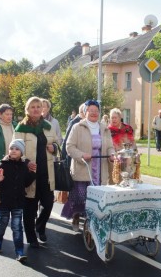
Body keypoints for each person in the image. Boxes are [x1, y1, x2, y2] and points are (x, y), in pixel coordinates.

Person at [62, 99, 115, 231]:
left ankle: (93, 223)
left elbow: (109, 146)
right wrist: (81, 155)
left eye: (96, 111)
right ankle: (76, 216)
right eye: (91, 111)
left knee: (97, 199)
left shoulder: (104, 128)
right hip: (83, 166)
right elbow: (69, 147)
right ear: (85, 112)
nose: (94, 113)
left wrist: (112, 154)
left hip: (100, 167)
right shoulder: (77, 127)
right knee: (81, 197)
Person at [14, 96, 58, 248]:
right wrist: (26, 161)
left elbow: (57, 143)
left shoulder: (48, 126)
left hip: (46, 173)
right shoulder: (21, 127)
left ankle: (40, 226)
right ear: (27, 109)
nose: (36, 109)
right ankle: (31, 237)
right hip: (29, 174)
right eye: (32, 107)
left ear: (43, 109)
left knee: (47, 205)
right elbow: (15, 149)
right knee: (30, 208)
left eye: (38, 106)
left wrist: (55, 148)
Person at [0, 139, 36, 262]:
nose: (14, 151)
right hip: (4, 201)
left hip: (18, 202)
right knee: (2, 224)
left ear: (22, 152)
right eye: (12, 148)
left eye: (17, 149)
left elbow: (26, 183)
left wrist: (32, 173)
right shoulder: (2, 164)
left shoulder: (24, 165)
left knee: (17, 227)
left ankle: (19, 252)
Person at [61, 103, 85, 167]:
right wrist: (63, 156)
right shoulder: (74, 122)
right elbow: (66, 140)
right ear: (80, 113)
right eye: (82, 112)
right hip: (73, 157)